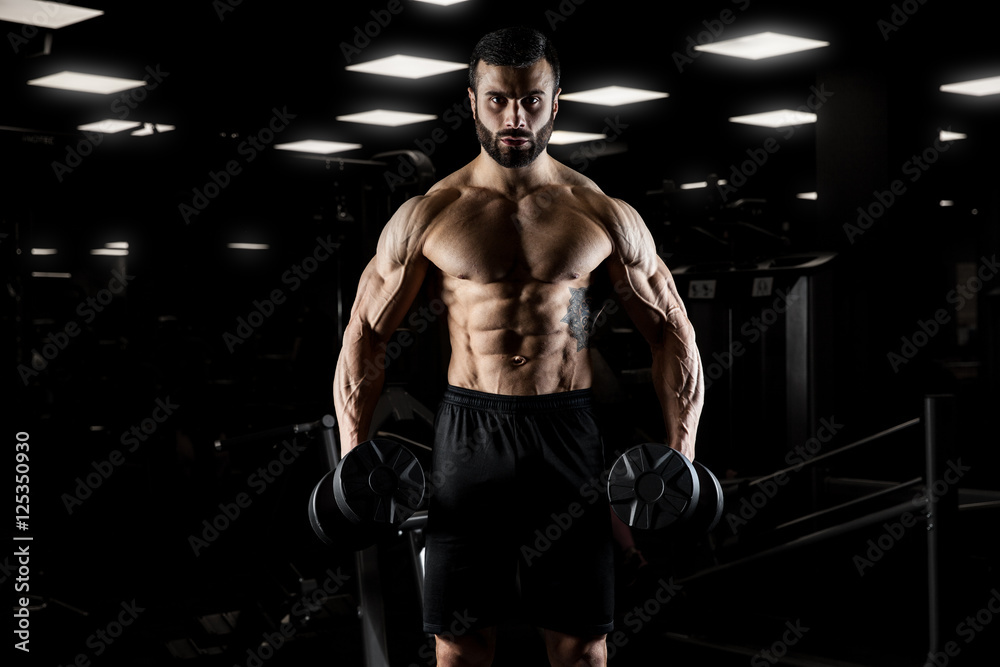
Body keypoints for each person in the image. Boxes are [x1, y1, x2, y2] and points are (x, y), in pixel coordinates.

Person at [333, 26, 703, 667]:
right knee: (459, 643)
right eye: (499, 99)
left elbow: (672, 332)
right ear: (472, 99)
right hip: (469, 435)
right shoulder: (430, 212)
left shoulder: (601, 212)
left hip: (568, 432)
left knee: (583, 644)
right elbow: (363, 335)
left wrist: (681, 458)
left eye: (532, 101)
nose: (515, 117)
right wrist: (352, 460)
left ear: (556, 102)